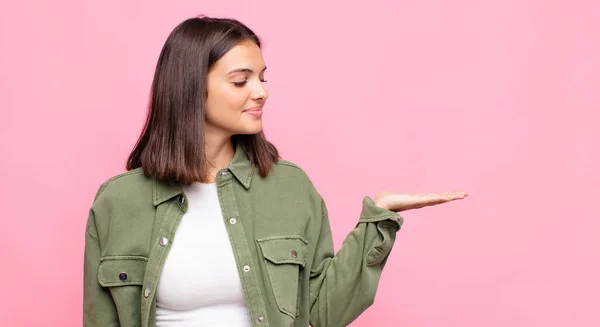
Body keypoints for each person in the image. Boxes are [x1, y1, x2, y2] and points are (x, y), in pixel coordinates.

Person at [82, 16, 468, 327]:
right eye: (240, 80)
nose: (261, 92)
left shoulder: (290, 188)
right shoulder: (118, 202)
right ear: (190, 88)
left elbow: (324, 313)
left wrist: (379, 219)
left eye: (262, 78)